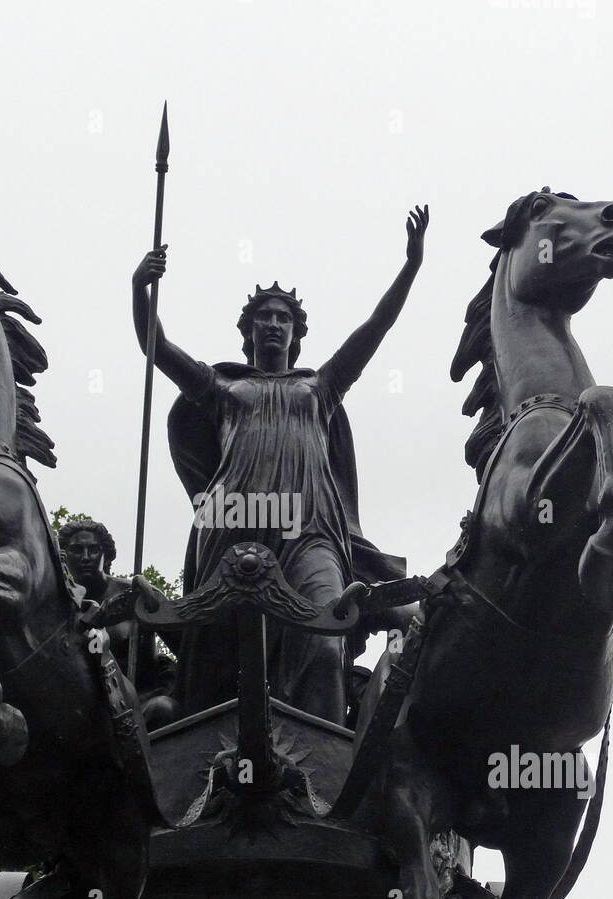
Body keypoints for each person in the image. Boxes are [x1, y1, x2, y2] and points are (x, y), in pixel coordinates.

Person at [131, 206, 428, 723]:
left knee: (324, 632)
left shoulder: (322, 386)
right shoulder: (222, 388)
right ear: (248, 331)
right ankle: (203, 761)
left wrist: (411, 265)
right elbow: (156, 347)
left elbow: (375, 328)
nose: (272, 324)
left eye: (282, 317)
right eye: (263, 317)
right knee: (216, 656)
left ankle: (322, 770)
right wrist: (140, 288)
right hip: (232, 526)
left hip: (310, 532)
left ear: (296, 333)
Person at [58, 519, 178, 729]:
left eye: (93, 550)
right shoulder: (57, 607)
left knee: (163, 709)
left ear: (106, 556)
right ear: (63, 556)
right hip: (89, 716)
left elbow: (185, 645)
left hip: (143, 705)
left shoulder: (137, 596)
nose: (85, 557)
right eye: (77, 550)